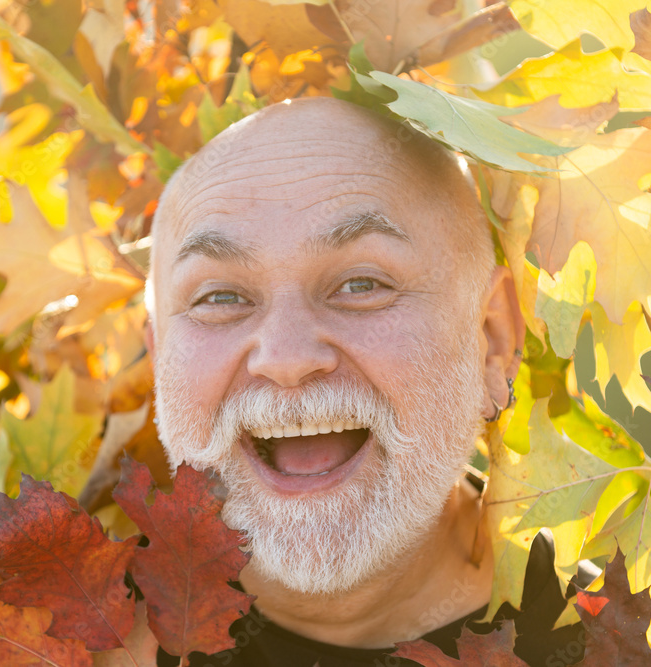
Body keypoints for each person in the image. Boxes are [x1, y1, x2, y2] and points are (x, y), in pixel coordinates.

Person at [143, 96, 586, 666]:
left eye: (361, 284)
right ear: (158, 360)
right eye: (219, 297)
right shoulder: (47, 630)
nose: (286, 359)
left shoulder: (621, 645)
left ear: (493, 341)